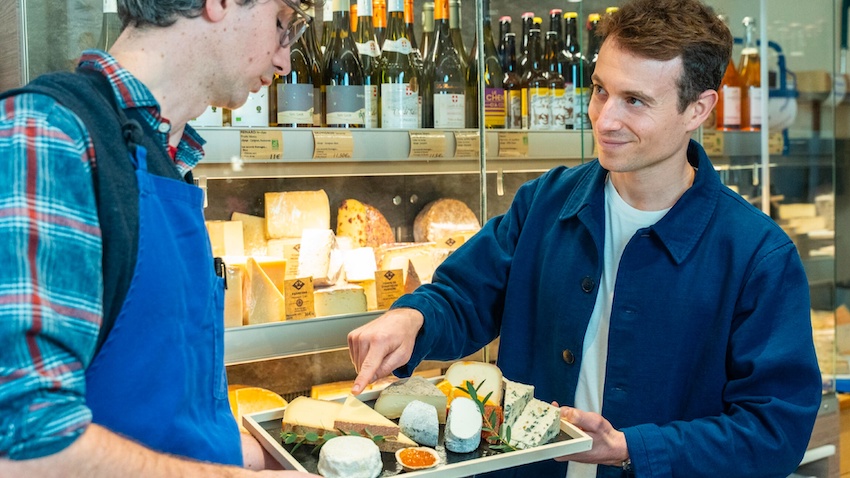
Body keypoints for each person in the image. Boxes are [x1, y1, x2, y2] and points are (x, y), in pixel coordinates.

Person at [348, 0, 823, 476]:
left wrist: (631, 447)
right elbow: (464, 296)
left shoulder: (758, 255)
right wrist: (413, 317)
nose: (605, 119)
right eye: (600, 90)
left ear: (697, 108)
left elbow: (773, 432)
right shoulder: (544, 202)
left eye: (634, 101)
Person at [0, 0, 319, 476]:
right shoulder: (49, 134)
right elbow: (24, 445)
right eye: (281, 24)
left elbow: (166, 411)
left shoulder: (165, 158)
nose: (284, 60)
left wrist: (275, 460)